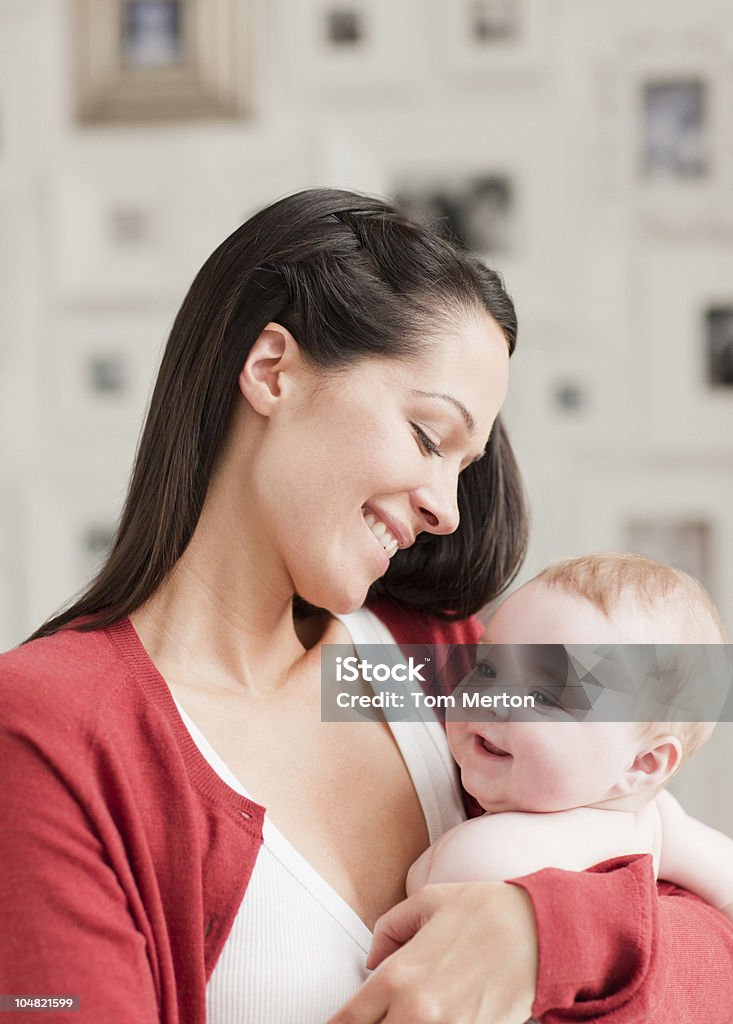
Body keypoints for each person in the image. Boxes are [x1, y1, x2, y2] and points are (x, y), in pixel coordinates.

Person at [0, 190, 732, 1024]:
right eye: (428, 435)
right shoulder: (49, 727)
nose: (447, 511)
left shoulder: (447, 664)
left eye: (465, 464)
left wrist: (539, 936)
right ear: (272, 370)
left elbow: (711, 941)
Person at [407, 553, 733, 931]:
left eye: (545, 697)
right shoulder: (654, 825)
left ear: (641, 764)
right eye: (487, 668)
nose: (491, 699)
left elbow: (452, 876)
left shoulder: (661, 825)